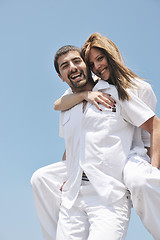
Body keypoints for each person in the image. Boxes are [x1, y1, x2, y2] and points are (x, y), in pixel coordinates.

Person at [30, 35, 160, 240]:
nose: (72, 67)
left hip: (108, 195)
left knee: (143, 181)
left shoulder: (116, 93)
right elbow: (72, 145)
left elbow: (154, 125)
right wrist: (67, 175)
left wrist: (153, 167)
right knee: (39, 178)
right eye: (65, 66)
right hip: (73, 199)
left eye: (77, 61)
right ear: (60, 75)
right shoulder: (67, 105)